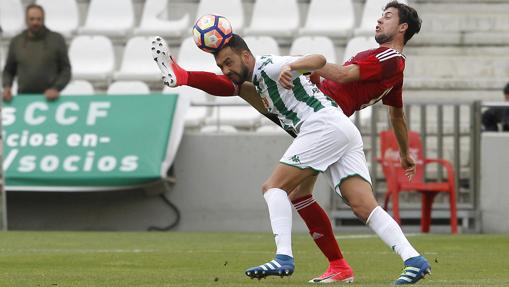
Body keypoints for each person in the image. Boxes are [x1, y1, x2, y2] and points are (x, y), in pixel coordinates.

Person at [152, 2, 428, 285]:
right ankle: (408, 260)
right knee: (356, 204)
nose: (379, 21)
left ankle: (284, 257)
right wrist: (405, 153)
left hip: (322, 121)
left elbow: (330, 67)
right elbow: (396, 113)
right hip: (333, 125)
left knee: (273, 187)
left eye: (388, 16)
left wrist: (296, 66)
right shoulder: (394, 70)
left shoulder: (389, 58)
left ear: (403, 27)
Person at [2, 4, 71, 102]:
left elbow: (66, 70)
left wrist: (56, 88)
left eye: (39, 19)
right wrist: (7, 87)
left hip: (51, 100)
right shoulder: (16, 42)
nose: (35, 22)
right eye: (32, 19)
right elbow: (8, 70)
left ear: (44, 19)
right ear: (26, 20)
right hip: (23, 100)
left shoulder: (57, 40)